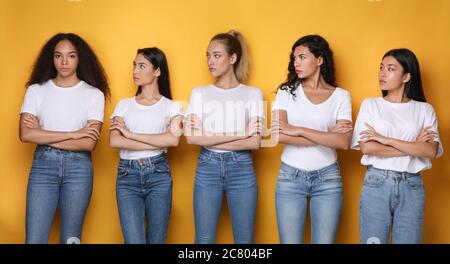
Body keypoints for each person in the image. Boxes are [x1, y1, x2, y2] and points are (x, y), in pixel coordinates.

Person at [19, 33, 110, 244]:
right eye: (58, 56)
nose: (64, 62)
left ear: (80, 59)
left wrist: (42, 133)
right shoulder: (36, 91)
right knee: (34, 240)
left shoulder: (93, 94)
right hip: (43, 166)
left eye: (71, 56)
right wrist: (73, 133)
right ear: (51, 59)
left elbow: (88, 143)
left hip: (79, 168)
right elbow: (25, 134)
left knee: (71, 239)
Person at [351, 48, 443, 244]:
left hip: (412, 185)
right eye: (381, 68)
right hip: (376, 183)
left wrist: (385, 139)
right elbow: (367, 148)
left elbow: (430, 151)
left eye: (390, 68)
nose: (382, 73)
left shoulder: (424, 109)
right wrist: (413, 146)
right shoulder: (371, 105)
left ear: (406, 76)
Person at [185, 30, 264, 244]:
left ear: (233, 58)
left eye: (216, 55)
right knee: (203, 239)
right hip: (207, 167)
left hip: (242, 168)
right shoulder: (199, 93)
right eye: (208, 55)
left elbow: (254, 142)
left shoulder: (252, 94)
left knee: (245, 241)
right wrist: (241, 133)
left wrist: (209, 136)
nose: (210, 61)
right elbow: (192, 138)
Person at [271, 35, 352, 244]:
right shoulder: (286, 92)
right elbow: (278, 134)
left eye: (302, 57)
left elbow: (343, 142)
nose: (296, 63)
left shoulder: (341, 96)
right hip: (290, 177)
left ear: (319, 60)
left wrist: (297, 130)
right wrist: (327, 135)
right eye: (294, 58)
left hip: (328, 179)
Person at [109, 47, 183, 244]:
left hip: (158, 174)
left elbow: (173, 140)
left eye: (142, 66)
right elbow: (115, 140)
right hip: (127, 176)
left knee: (157, 240)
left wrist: (130, 134)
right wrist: (157, 138)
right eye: (134, 65)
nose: (135, 71)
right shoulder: (123, 105)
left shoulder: (173, 106)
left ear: (157, 71)